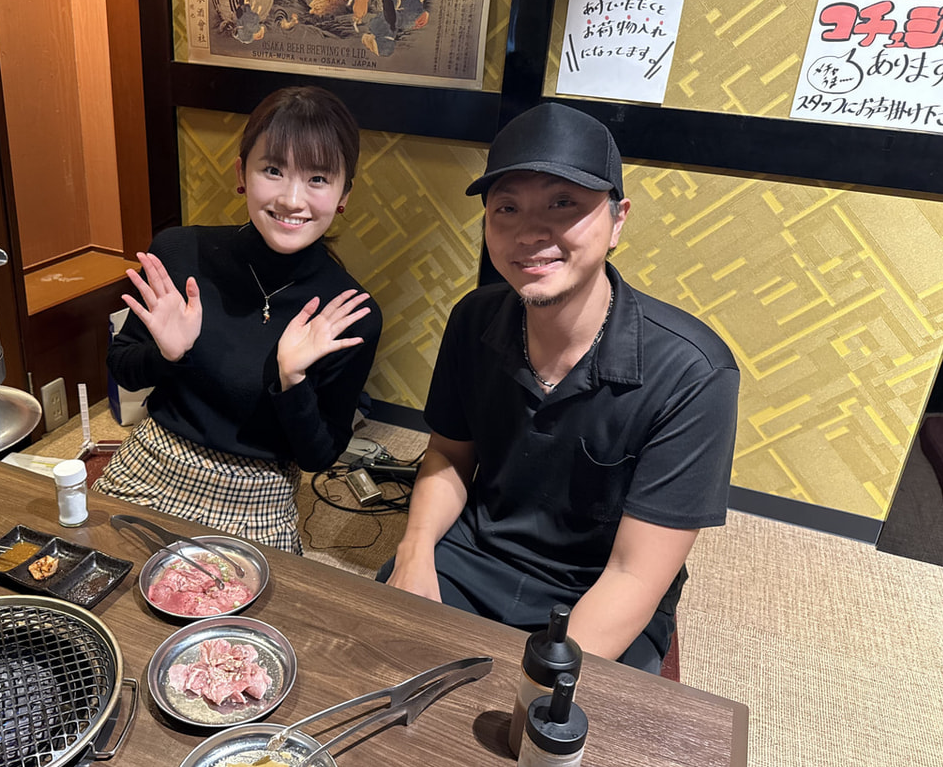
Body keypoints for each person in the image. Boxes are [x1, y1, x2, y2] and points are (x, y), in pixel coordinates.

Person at [380, 103, 739, 673]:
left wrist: (535, 681)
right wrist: (415, 551)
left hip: (598, 586)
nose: (529, 232)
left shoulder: (694, 373)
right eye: (507, 208)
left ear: (618, 220)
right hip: (477, 556)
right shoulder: (474, 318)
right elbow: (448, 454)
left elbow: (634, 574)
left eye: (563, 203)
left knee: (556, 727)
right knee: (368, 662)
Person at [94, 86, 382, 554]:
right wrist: (169, 355)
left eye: (318, 178)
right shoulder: (180, 251)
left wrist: (293, 380)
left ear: (344, 193)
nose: (292, 200)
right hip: (151, 465)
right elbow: (123, 366)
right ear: (241, 174)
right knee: (85, 572)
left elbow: (318, 456)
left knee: (239, 602)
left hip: (256, 497)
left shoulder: (348, 312)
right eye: (273, 170)